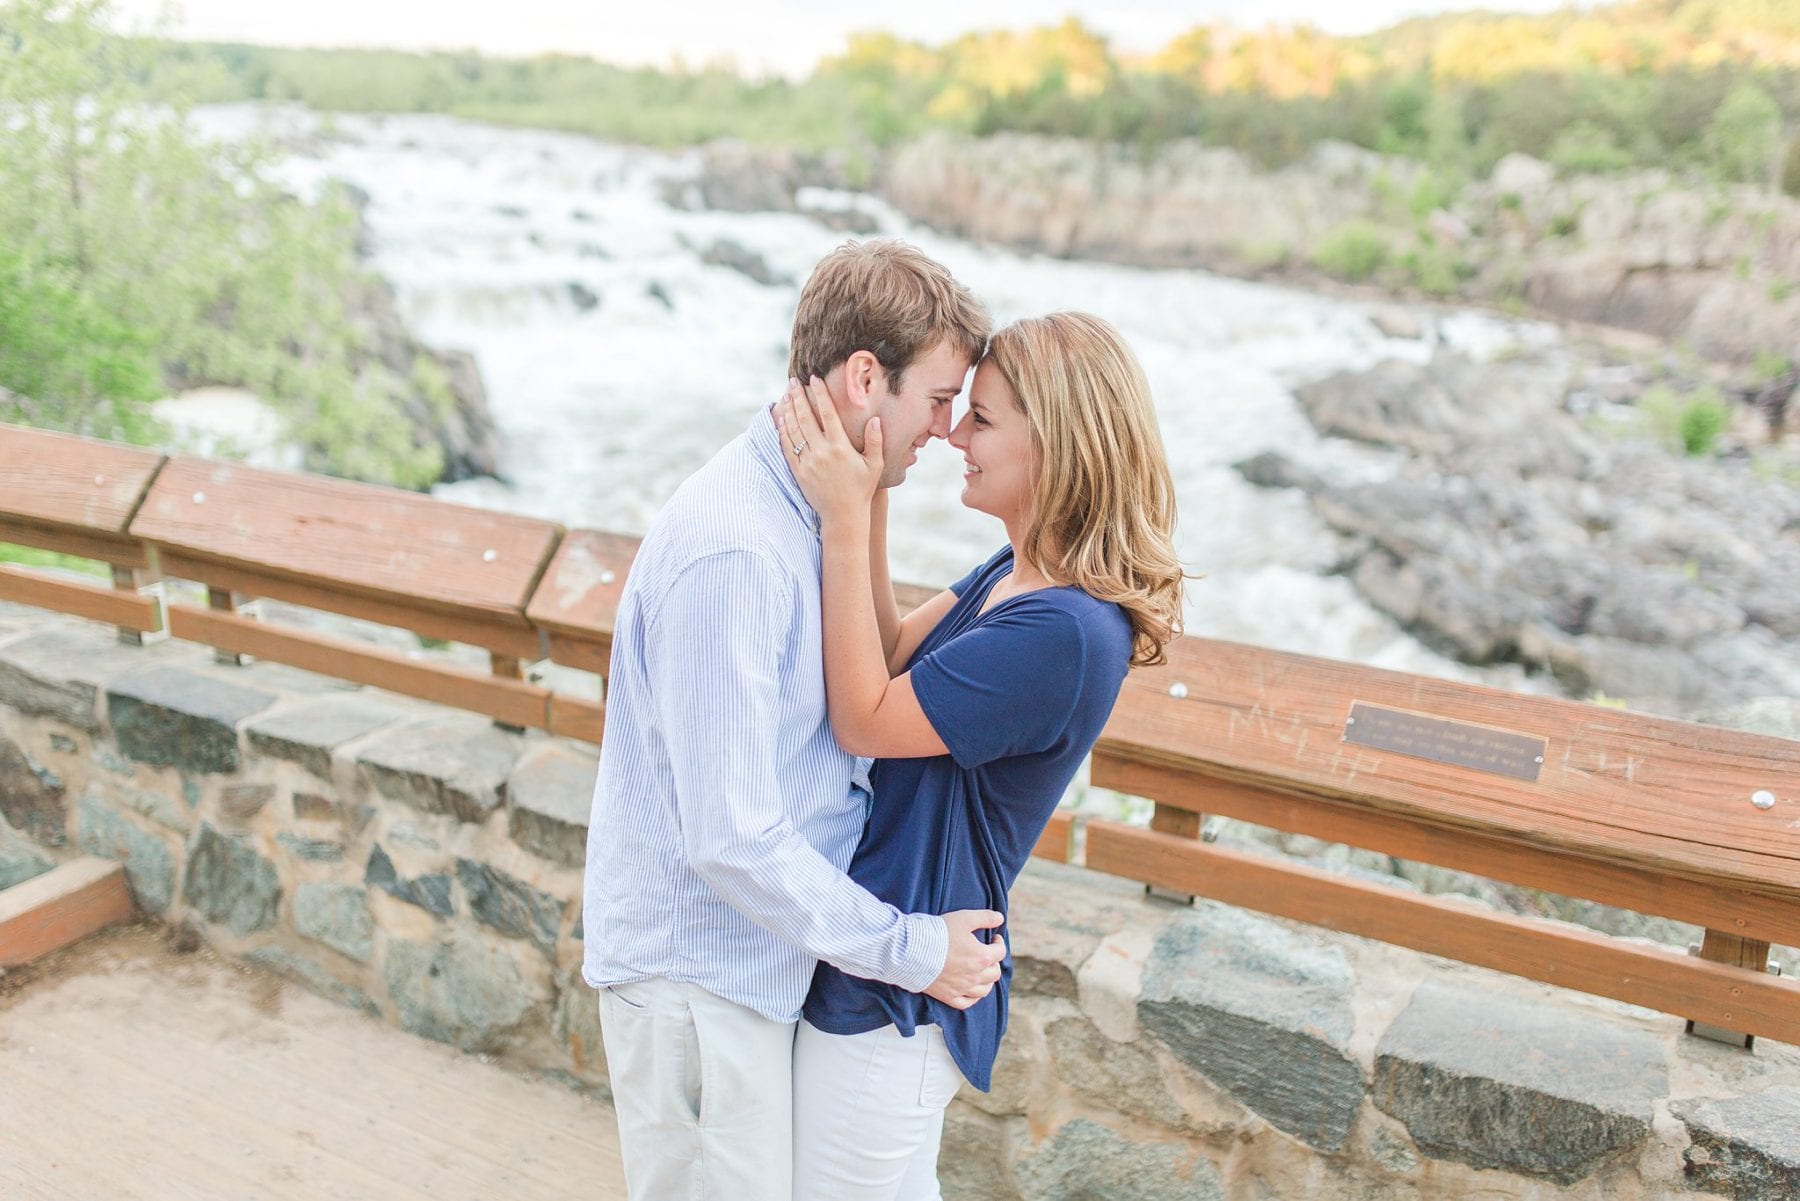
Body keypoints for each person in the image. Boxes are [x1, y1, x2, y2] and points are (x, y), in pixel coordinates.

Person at [580, 239, 1010, 1201]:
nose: (946, 430)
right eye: (939, 399)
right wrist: (913, 949)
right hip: (698, 979)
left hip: (749, 968)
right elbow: (731, 838)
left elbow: (875, 660)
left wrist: (863, 510)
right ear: (868, 378)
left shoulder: (815, 505)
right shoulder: (740, 553)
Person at [776, 311, 1185, 1199]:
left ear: (1062, 444)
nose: (956, 433)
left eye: (984, 420)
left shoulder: (1065, 631)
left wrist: (843, 520)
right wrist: (876, 482)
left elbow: (865, 717)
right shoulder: (1015, 572)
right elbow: (883, 655)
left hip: (902, 999)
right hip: (881, 956)